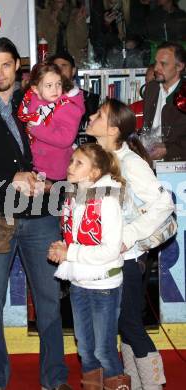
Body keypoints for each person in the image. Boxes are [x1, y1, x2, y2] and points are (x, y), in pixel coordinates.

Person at [0, 37, 72, 390]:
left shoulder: (40, 104)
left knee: (50, 304)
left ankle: (55, 380)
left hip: (42, 215)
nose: (0, 72)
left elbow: (63, 144)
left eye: (6, 64)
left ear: (17, 68)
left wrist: (55, 181)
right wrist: (9, 179)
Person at [86, 98, 174, 389]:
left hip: (126, 258)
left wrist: (129, 234)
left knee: (131, 326)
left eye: (99, 115)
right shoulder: (99, 159)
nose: (91, 116)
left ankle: (153, 384)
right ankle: (136, 384)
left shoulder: (131, 162)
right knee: (123, 325)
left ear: (113, 129)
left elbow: (163, 204)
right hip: (106, 258)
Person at [48, 143, 131, 389]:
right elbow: (78, 236)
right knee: (85, 349)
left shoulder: (107, 201)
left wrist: (70, 252)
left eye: (78, 163)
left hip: (103, 285)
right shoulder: (74, 197)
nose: (70, 166)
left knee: (104, 349)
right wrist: (62, 248)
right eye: (71, 161)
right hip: (78, 283)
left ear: (94, 173)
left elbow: (110, 250)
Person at [17, 62, 84, 181]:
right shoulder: (32, 100)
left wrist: (36, 130)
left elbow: (66, 139)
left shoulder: (66, 107)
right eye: (49, 85)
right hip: (36, 164)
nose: (55, 89)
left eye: (58, 84)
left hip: (55, 169)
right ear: (35, 89)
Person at [143, 41, 186, 161]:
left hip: (177, 168)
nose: (156, 68)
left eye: (163, 64)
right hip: (150, 163)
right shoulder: (151, 88)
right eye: (156, 62)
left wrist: (168, 149)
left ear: (179, 67)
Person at [49, 51, 99, 144]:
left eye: (64, 65)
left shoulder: (90, 99)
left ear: (73, 71)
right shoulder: (43, 101)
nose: (59, 70)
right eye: (55, 67)